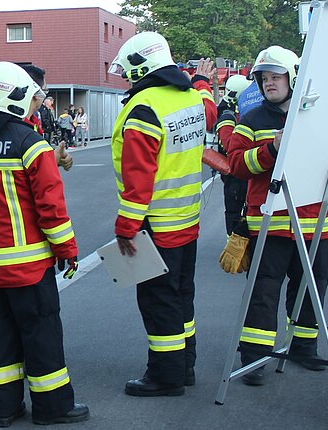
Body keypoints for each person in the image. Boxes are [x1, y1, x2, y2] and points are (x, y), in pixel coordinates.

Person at [0, 61, 88, 426]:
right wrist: (68, 251)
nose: (34, 107)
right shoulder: (30, 143)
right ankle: (53, 408)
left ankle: (4, 409)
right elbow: (50, 208)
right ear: (13, 98)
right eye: (30, 100)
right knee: (41, 335)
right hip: (29, 268)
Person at [227, 45, 328, 386]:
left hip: (316, 225)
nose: (269, 84)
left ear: (293, 77)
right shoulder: (253, 119)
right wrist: (272, 149)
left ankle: (304, 347)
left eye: (275, 77)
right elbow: (237, 165)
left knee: (310, 289)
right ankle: (254, 360)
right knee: (262, 295)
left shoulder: (323, 114)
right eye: (264, 79)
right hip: (270, 226)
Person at [108, 32, 214, 397]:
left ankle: (165, 375)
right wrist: (201, 80)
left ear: (141, 68)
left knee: (158, 300)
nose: (128, 82)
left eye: (129, 75)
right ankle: (185, 366)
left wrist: (126, 229)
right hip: (187, 219)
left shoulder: (144, 108)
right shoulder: (190, 98)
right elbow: (209, 111)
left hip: (155, 226)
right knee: (182, 295)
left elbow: (139, 181)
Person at [215, 74, 252, 235]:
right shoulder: (245, 114)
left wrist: (225, 122)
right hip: (239, 176)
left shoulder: (231, 117)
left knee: (234, 215)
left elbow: (229, 145)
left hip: (237, 178)